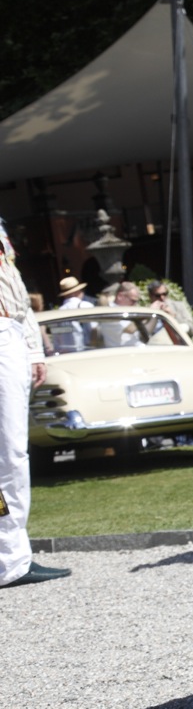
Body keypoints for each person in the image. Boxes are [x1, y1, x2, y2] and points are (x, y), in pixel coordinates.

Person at [1, 217, 70, 587]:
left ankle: (10, 554)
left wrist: (31, 350)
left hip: (7, 331)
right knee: (8, 453)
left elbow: (16, 291)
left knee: (9, 453)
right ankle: (9, 559)